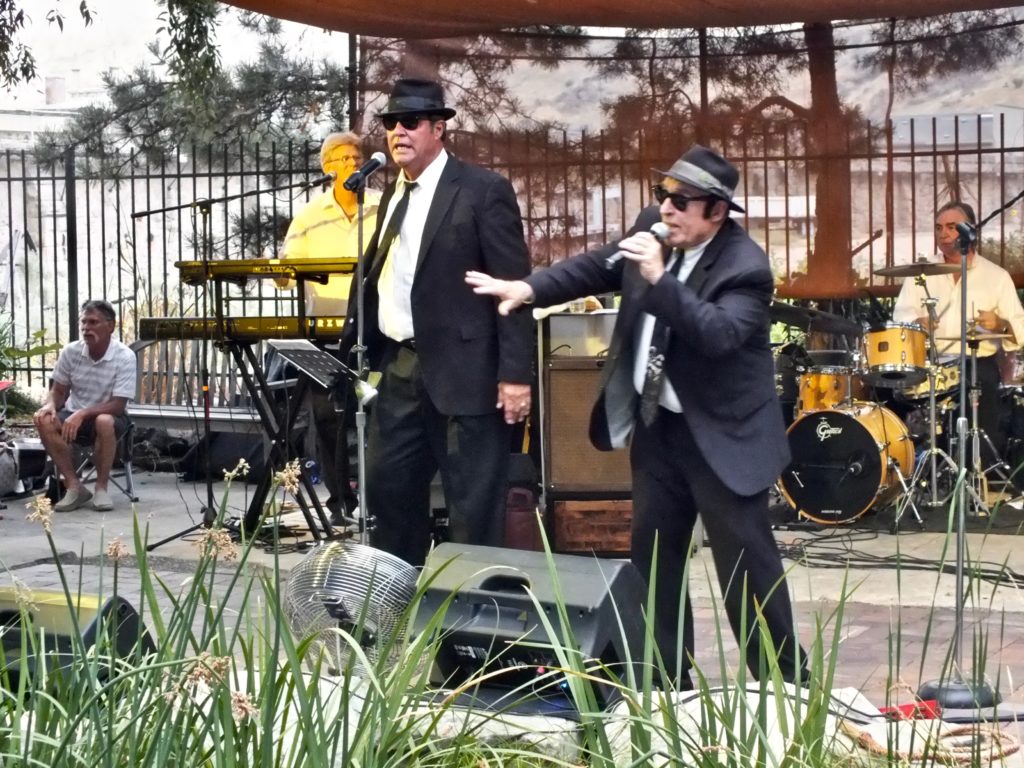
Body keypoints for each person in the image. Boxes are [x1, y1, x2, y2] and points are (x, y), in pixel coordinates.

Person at [466, 145, 806, 688]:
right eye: (662, 195)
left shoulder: (746, 267)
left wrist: (659, 278)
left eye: (681, 202)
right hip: (661, 426)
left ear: (716, 212)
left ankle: (787, 684)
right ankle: (668, 684)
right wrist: (527, 288)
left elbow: (717, 334)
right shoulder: (654, 229)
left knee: (747, 570)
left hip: (725, 434)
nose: (666, 209)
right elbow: (595, 266)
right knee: (654, 565)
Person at [340, 78, 532, 566]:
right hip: (402, 366)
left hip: (467, 373)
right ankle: (395, 614)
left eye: (410, 122)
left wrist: (514, 375)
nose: (397, 132)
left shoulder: (481, 190)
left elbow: (513, 287)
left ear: (439, 128)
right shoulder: (390, 196)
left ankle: (468, 634)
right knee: (388, 494)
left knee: (471, 508)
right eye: (389, 123)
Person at [275, 132, 381, 524]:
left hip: (374, 327)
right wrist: (282, 268)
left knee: (378, 412)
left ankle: (378, 500)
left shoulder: (380, 208)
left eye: (357, 156)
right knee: (328, 418)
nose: (353, 163)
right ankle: (341, 503)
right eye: (343, 157)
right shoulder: (309, 215)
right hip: (325, 332)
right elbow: (285, 275)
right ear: (327, 167)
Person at [892, 201, 1024, 466]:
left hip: (977, 364)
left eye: (952, 227)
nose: (943, 233)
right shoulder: (921, 273)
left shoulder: (995, 277)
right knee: (891, 387)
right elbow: (899, 318)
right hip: (932, 363)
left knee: (981, 383)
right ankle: (915, 463)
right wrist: (916, 321)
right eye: (939, 227)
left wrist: (1000, 324)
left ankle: (978, 468)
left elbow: (1020, 328)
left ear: (969, 231)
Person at [33, 300, 137, 512]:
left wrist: (83, 413)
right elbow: (58, 391)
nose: (86, 328)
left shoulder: (125, 356)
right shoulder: (71, 351)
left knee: (104, 421)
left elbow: (118, 405)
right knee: (43, 418)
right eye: (83, 322)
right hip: (72, 416)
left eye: (93, 322)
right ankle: (74, 486)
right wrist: (51, 405)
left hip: (110, 417)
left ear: (110, 326)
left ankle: (101, 488)